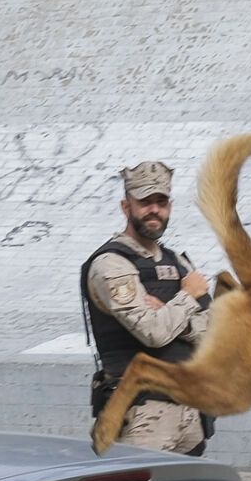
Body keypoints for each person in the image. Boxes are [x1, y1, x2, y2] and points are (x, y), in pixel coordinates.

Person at [82, 160, 215, 456]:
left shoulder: (176, 261)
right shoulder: (111, 264)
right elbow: (153, 333)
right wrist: (187, 299)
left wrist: (169, 310)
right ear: (126, 207)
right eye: (144, 202)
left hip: (188, 412)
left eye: (161, 201)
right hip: (145, 414)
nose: (154, 209)